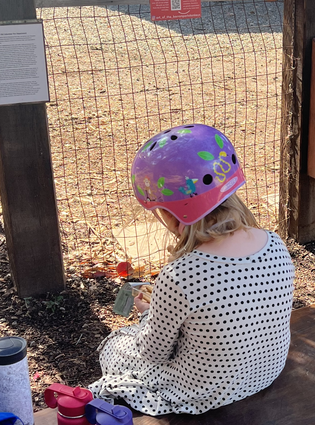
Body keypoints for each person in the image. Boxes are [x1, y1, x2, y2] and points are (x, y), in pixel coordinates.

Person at [89, 124, 295, 415]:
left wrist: (149, 313)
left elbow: (154, 353)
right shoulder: (275, 243)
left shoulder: (181, 275)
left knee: (117, 345)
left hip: (205, 391)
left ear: (174, 214)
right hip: (264, 371)